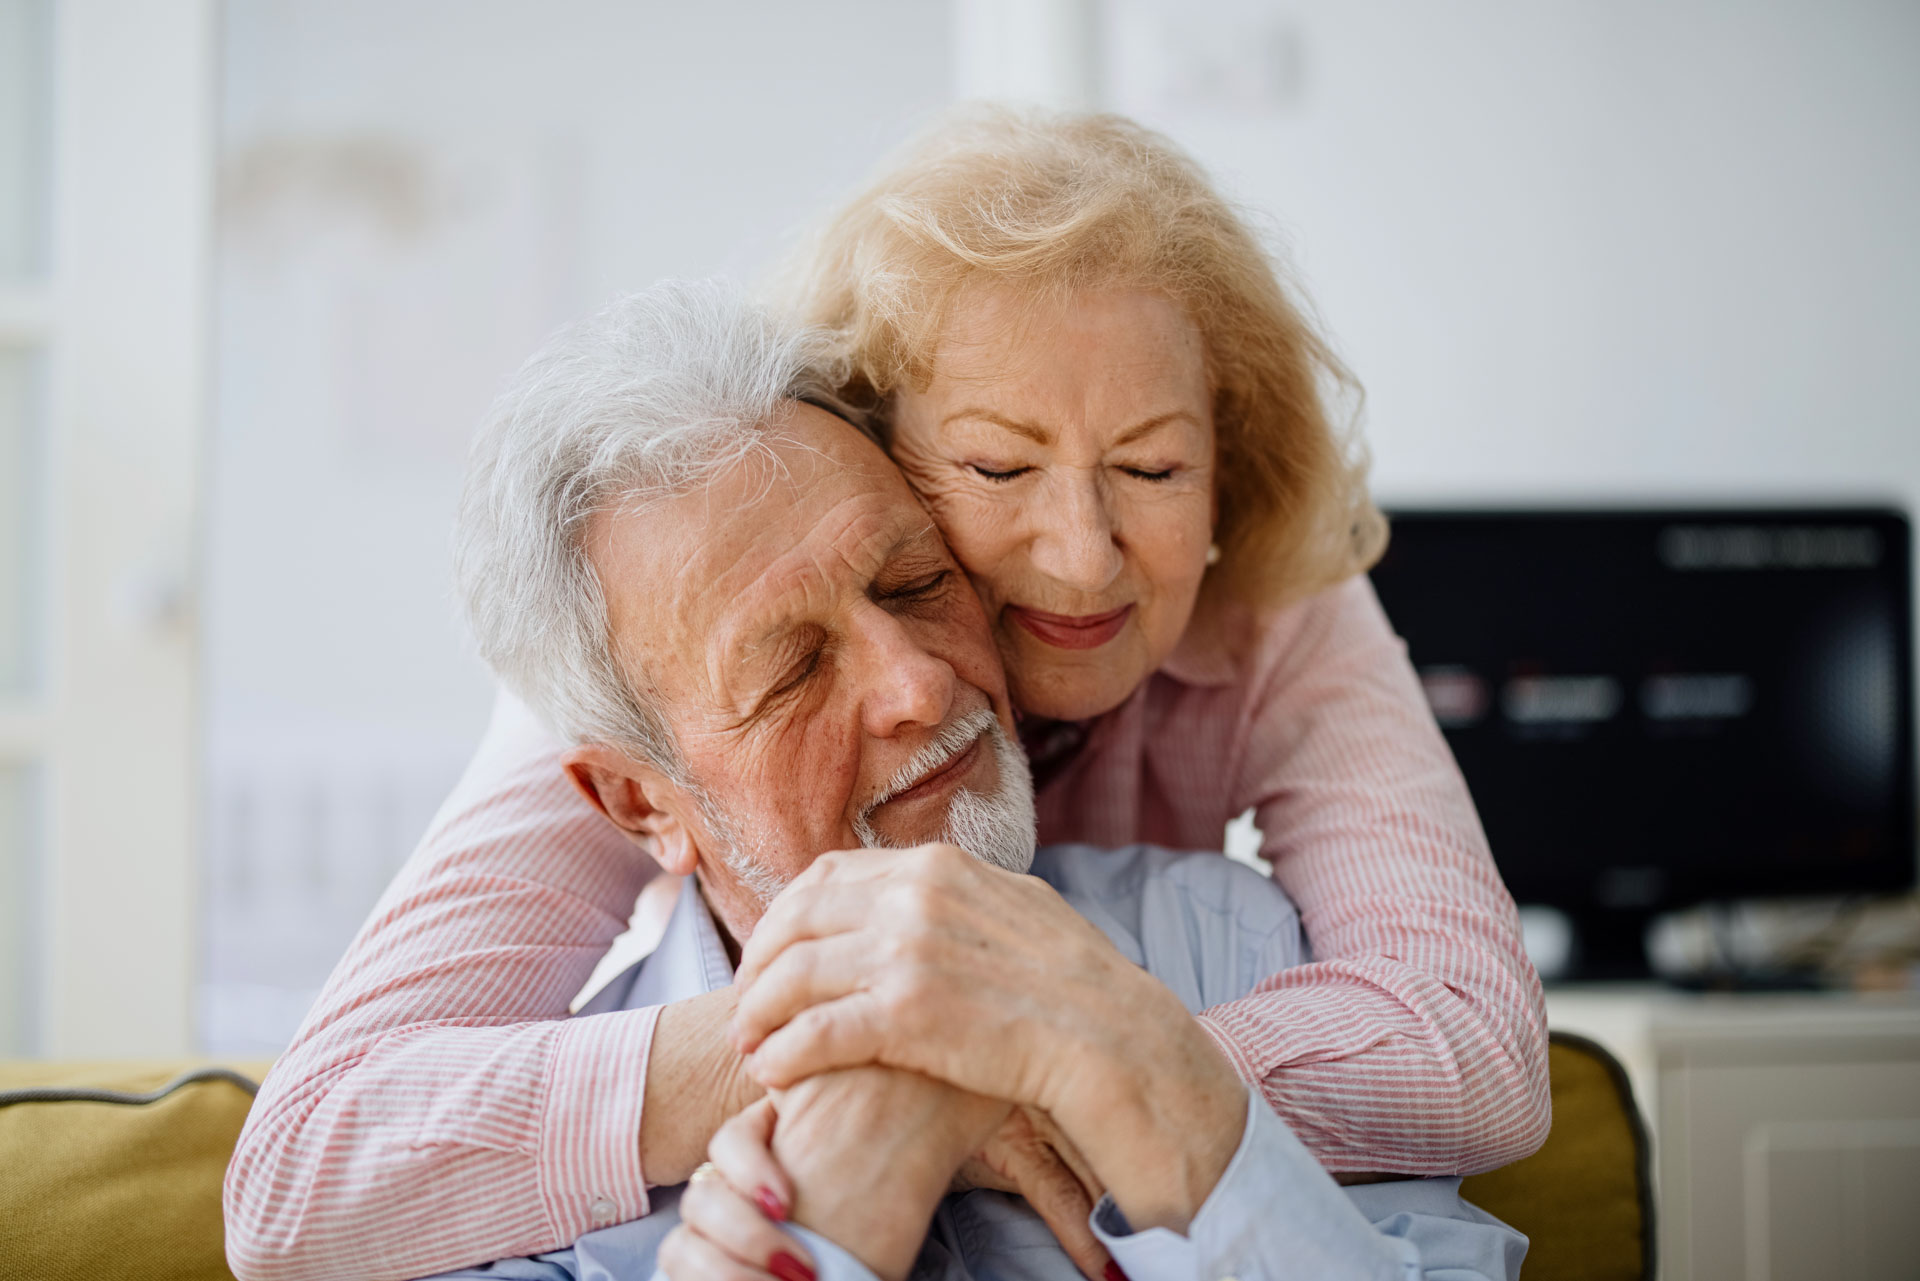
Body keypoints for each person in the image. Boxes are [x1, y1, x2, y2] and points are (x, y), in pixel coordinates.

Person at [225, 107, 1548, 1281]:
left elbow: (1475, 1050)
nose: (1086, 553)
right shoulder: (641, 658)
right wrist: (878, 1055)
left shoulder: (1264, 668)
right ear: (881, 439)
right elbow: (305, 1171)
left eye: (1150, 469)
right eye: (995, 467)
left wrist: (1086, 1055)